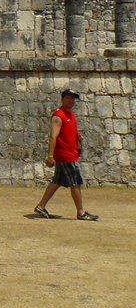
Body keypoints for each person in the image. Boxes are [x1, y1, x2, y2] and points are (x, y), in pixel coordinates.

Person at [34, 88, 98, 221]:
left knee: (57, 182)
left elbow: (69, 134)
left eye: (73, 98)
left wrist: (78, 139)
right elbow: (53, 137)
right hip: (65, 156)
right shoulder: (58, 116)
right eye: (68, 98)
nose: (71, 101)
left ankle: (41, 206)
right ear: (62, 99)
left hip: (71, 154)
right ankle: (81, 213)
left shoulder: (71, 115)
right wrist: (50, 156)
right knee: (75, 183)